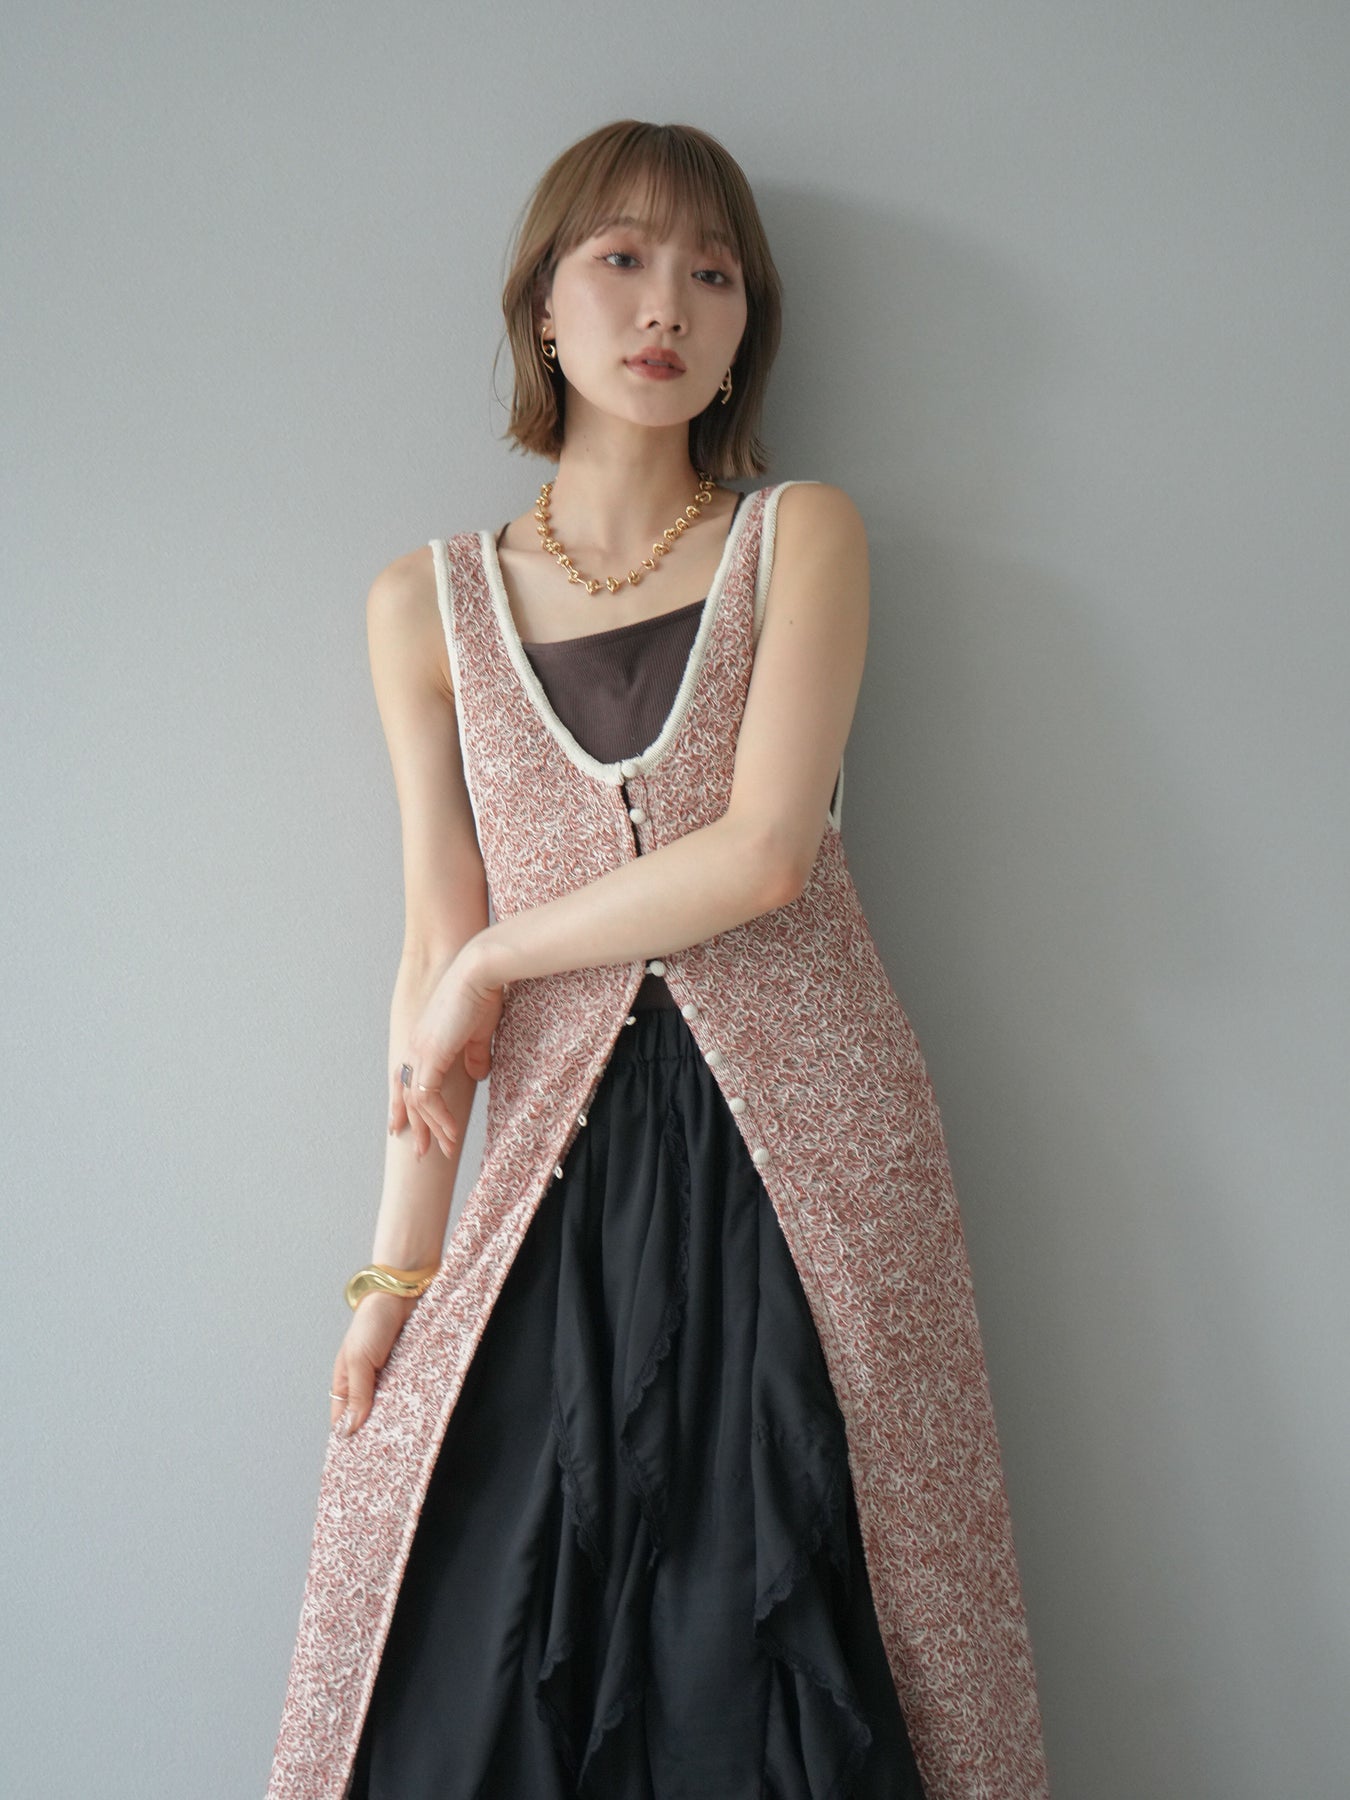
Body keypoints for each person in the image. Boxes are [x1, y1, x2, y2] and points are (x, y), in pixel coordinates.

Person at [267, 121, 1051, 1800]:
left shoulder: (798, 537)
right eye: (619, 259)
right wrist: (396, 1278)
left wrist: (499, 960)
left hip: (807, 1157)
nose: (666, 306)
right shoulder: (426, 604)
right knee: (473, 1620)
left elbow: (765, 856)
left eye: (713, 274)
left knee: (789, 1621)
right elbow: (430, 943)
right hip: (556, 1175)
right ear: (540, 308)